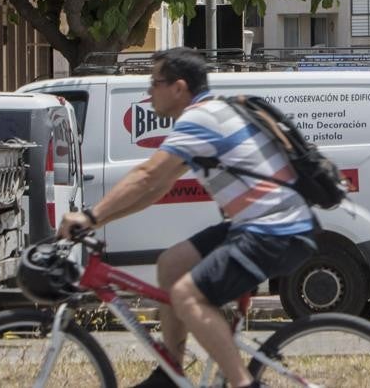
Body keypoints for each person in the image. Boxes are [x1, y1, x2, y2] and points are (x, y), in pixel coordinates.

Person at [59, 48, 316, 388]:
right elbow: (156, 189)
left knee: (186, 295)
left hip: (273, 229)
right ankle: (170, 373)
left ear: (179, 88)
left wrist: (90, 215)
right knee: (170, 264)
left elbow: (148, 175)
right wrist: (98, 221)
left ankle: (244, 384)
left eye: (155, 83)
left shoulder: (201, 119)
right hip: (260, 224)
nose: (148, 92)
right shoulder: (208, 115)